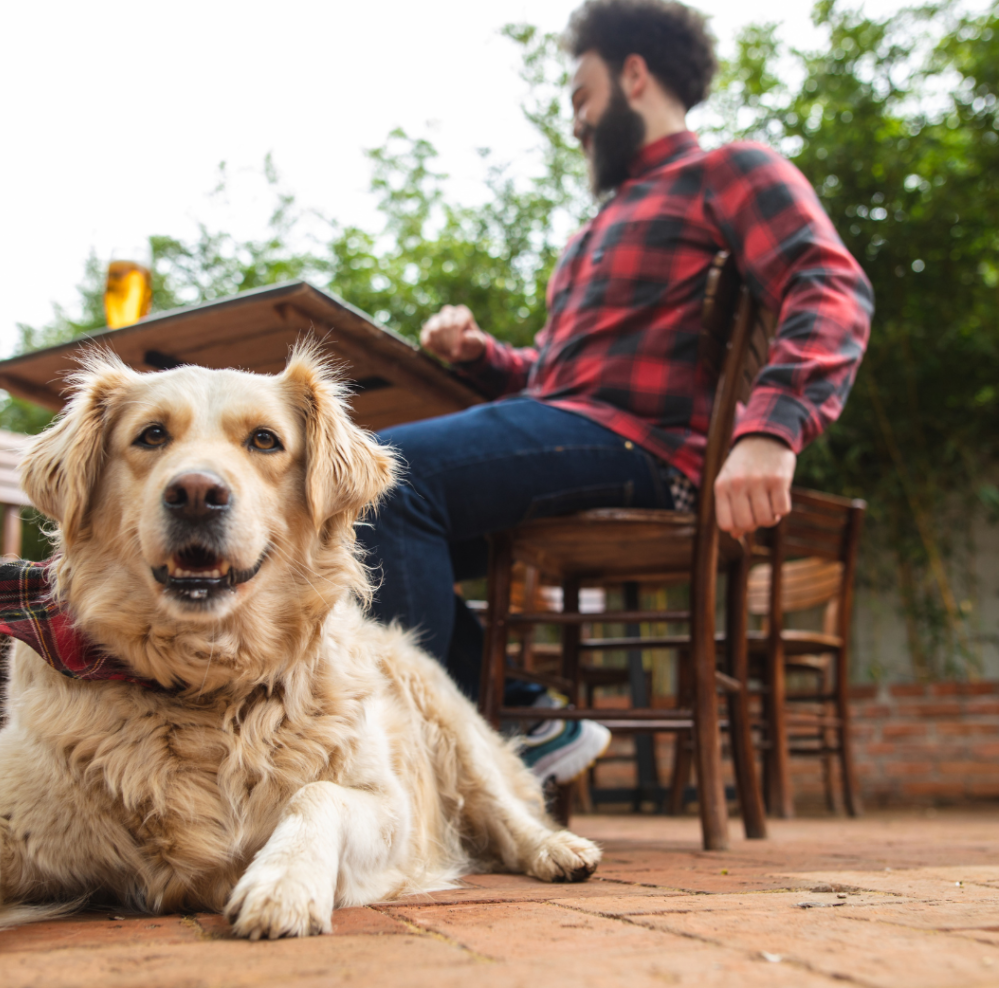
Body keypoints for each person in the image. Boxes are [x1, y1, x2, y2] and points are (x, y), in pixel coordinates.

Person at [366, 0, 873, 786]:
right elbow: (553, 380)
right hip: (578, 428)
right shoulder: (592, 231)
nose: (575, 122)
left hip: (647, 448)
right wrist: (479, 354)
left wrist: (773, 429)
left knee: (383, 479)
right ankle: (520, 719)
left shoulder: (730, 170)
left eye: (581, 96)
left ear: (633, 74)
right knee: (344, 513)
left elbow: (830, 286)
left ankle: (457, 751)